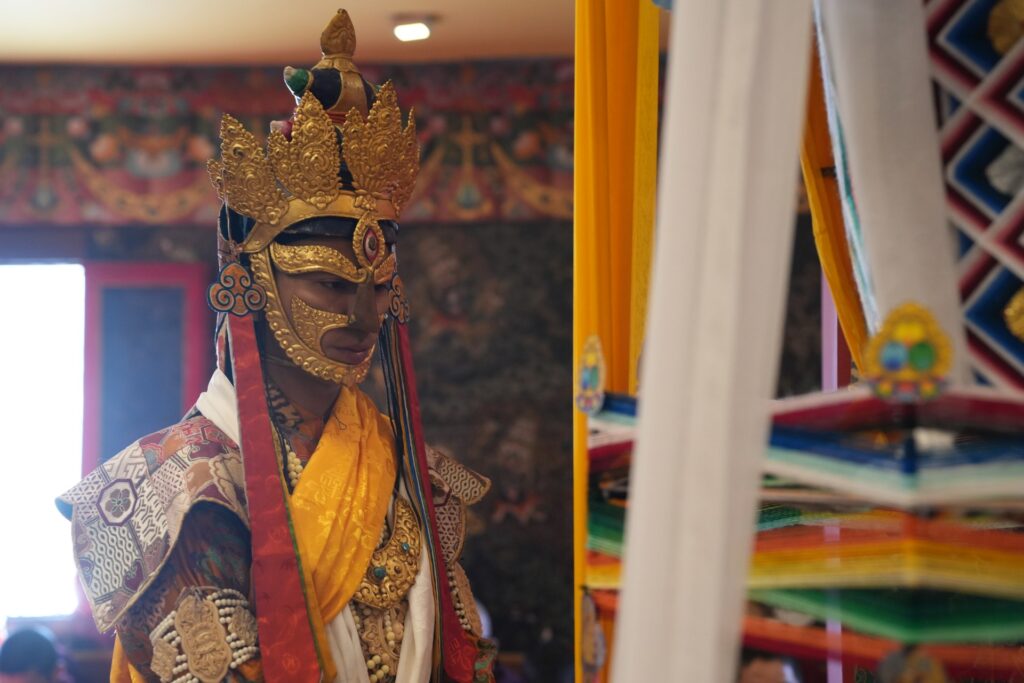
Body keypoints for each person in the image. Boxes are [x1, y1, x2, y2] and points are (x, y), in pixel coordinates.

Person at [57, 9, 495, 683]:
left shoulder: (413, 473)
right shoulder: (177, 487)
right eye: (329, 283)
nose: (363, 316)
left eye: (379, 289)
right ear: (253, 282)